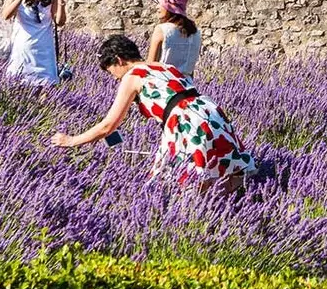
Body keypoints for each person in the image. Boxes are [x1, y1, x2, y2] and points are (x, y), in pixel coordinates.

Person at [52, 35, 257, 191]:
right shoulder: (165, 67)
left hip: (185, 120)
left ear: (119, 60)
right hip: (210, 111)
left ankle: (197, 224)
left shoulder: (133, 75)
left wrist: (71, 141)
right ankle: (234, 211)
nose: (113, 77)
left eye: (110, 70)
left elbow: (108, 125)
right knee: (225, 174)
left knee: (176, 184)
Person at [1, 0, 66, 85]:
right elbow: (6, 16)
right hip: (23, 50)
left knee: (48, 91)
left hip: (45, 51)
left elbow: (59, 21)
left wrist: (60, 0)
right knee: (19, 86)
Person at [146, 0, 200, 76]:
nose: (157, 7)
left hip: (164, 84)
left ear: (169, 7)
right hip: (187, 85)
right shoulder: (195, 32)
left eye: (160, 3)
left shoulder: (162, 29)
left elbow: (150, 65)